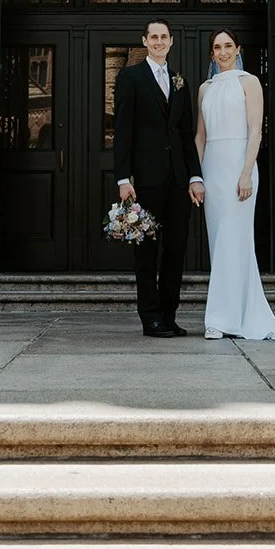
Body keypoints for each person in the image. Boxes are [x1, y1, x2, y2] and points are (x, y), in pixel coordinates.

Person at [196, 27, 275, 342]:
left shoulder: (249, 82)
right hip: (212, 169)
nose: (222, 52)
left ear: (238, 49)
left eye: (228, 46)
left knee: (236, 241)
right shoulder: (204, 89)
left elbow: (255, 131)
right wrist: (198, 175)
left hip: (239, 166)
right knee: (218, 242)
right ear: (212, 53)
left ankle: (220, 319)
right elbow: (200, 136)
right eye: (217, 47)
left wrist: (246, 171)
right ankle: (226, 315)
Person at [113, 19, 204, 338]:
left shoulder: (180, 80)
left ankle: (168, 314)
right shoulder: (130, 76)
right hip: (145, 182)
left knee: (176, 249)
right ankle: (150, 318)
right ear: (145, 40)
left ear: (171, 41)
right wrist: (123, 177)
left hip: (179, 181)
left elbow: (185, 133)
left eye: (164, 37)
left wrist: (195, 175)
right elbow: (122, 130)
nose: (159, 41)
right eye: (154, 37)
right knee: (147, 251)